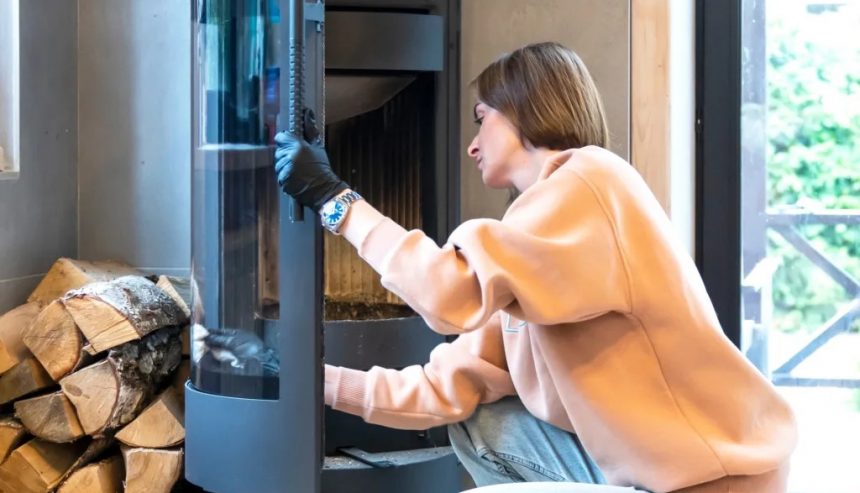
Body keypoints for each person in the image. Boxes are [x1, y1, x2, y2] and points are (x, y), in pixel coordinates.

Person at [273, 42, 797, 493]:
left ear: (524, 106)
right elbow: (444, 387)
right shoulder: (534, 253)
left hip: (713, 480)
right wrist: (313, 379)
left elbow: (446, 295)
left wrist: (336, 203)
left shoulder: (591, 180)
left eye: (483, 117)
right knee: (482, 418)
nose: (473, 144)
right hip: (662, 474)